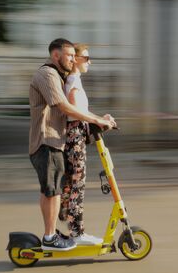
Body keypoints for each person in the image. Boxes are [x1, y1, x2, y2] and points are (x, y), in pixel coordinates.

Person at [29, 38, 116, 251]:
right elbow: (64, 107)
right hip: (46, 140)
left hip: (55, 140)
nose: (73, 59)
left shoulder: (59, 76)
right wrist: (97, 120)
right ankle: (51, 237)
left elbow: (73, 111)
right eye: (70, 56)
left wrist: (97, 119)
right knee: (53, 189)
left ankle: (61, 230)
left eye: (73, 56)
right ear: (56, 55)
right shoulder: (47, 74)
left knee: (58, 188)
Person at [58, 43, 106, 245]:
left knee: (72, 182)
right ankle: (77, 231)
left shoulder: (74, 80)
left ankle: (64, 211)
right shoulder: (73, 81)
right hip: (75, 137)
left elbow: (82, 112)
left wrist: (101, 119)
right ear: (76, 59)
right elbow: (75, 112)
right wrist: (97, 120)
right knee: (78, 183)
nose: (89, 61)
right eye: (86, 58)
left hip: (76, 135)